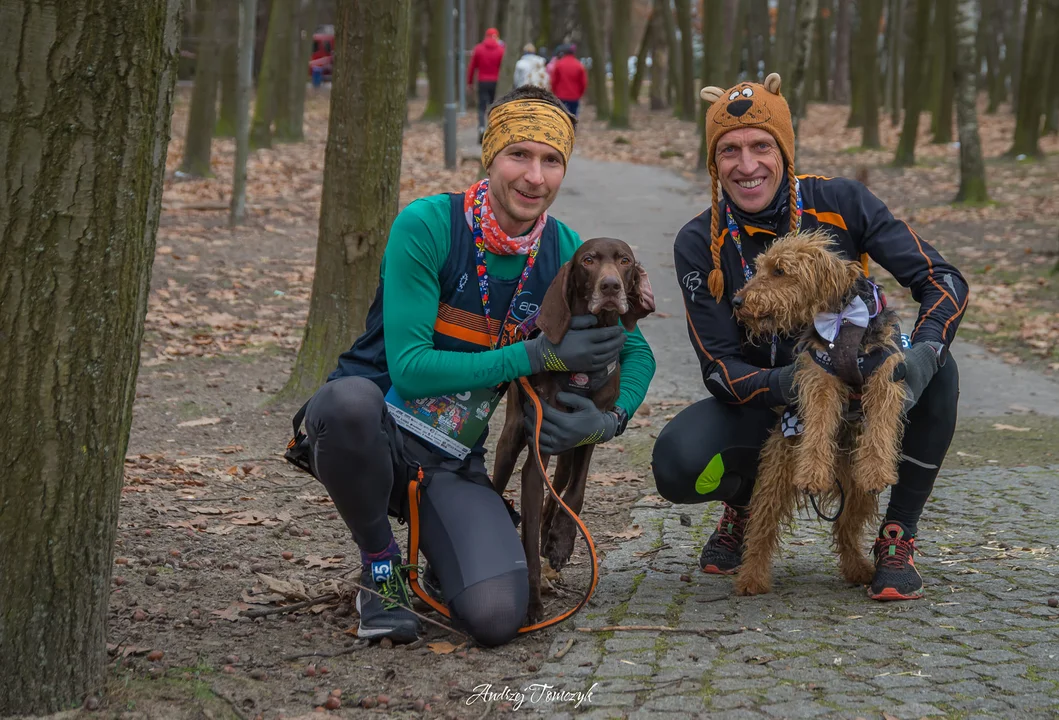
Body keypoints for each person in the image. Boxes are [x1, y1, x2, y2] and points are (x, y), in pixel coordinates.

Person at [297, 85, 656, 646]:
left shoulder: (568, 252)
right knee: (347, 404)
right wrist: (536, 353)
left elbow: (637, 350)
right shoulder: (429, 225)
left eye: (551, 160)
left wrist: (611, 420)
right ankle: (382, 567)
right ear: (490, 155)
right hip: (370, 432)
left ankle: (444, 547)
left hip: (449, 456)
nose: (534, 176)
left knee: (494, 616)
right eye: (519, 154)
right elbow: (411, 369)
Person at [651, 73, 968, 602]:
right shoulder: (698, 242)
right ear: (713, 162)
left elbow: (943, 279)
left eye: (761, 147)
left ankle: (897, 536)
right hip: (770, 396)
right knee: (678, 463)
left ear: (785, 151)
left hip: (864, 381)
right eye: (728, 150)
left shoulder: (843, 200)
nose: (746, 165)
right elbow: (718, 368)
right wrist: (801, 381)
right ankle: (747, 503)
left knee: (942, 369)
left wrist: (928, 349)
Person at [467, 28, 505, 144]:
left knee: (481, 107)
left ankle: (482, 127)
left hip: (482, 81)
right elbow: (503, 68)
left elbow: (472, 67)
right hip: (496, 82)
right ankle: (493, 130)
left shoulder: (478, 49)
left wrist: (470, 83)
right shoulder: (501, 50)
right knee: (494, 106)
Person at [549, 45, 588, 117]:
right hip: (574, 96)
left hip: (561, 96)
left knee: (562, 117)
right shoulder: (579, 65)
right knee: (573, 117)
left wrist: (554, 91)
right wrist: (580, 94)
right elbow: (583, 82)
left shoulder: (559, 64)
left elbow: (554, 81)